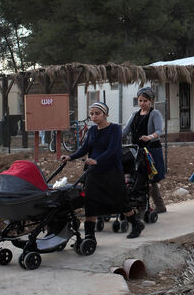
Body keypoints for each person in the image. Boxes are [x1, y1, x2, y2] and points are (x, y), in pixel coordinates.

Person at [62, 102, 144, 240]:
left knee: (120, 201)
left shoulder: (115, 129)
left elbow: (112, 150)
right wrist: (70, 156)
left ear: (105, 114)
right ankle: (89, 235)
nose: (94, 117)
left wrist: (97, 160)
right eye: (91, 114)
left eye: (97, 113)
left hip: (112, 171)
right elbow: (85, 148)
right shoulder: (92, 131)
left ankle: (135, 224)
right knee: (90, 201)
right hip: (93, 172)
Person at [122, 87, 168, 213]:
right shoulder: (134, 115)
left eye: (145, 101)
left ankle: (158, 206)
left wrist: (149, 137)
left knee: (150, 179)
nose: (142, 103)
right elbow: (125, 131)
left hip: (151, 150)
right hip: (137, 150)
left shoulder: (155, 114)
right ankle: (143, 205)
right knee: (136, 177)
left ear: (151, 101)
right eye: (140, 101)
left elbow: (159, 131)